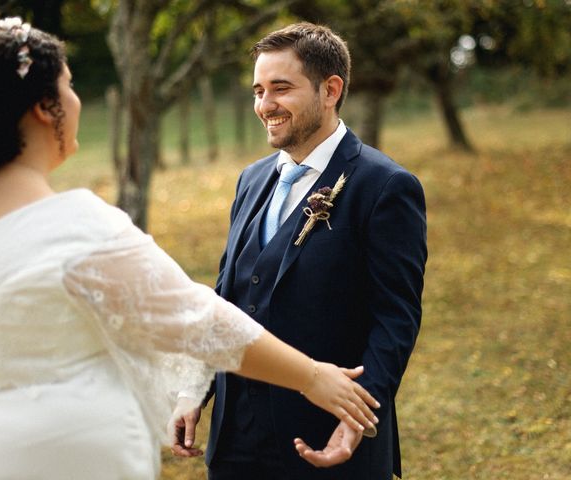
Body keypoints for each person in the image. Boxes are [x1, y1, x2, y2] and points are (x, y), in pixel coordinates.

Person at [0, 19, 380, 480]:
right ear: (45, 108)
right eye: (69, 85)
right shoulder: (73, 226)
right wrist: (311, 377)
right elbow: (198, 319)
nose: (76, 98)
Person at [172, 23, 428, 479]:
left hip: (325, 442)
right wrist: (195, 387)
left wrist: (356, 418)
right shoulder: (251, 180)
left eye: (281, 88)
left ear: (331, 90)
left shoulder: (385, 186)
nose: (264, 105)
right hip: (236, 445)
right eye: (258, 90)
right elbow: (227, 296)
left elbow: (396, 318)